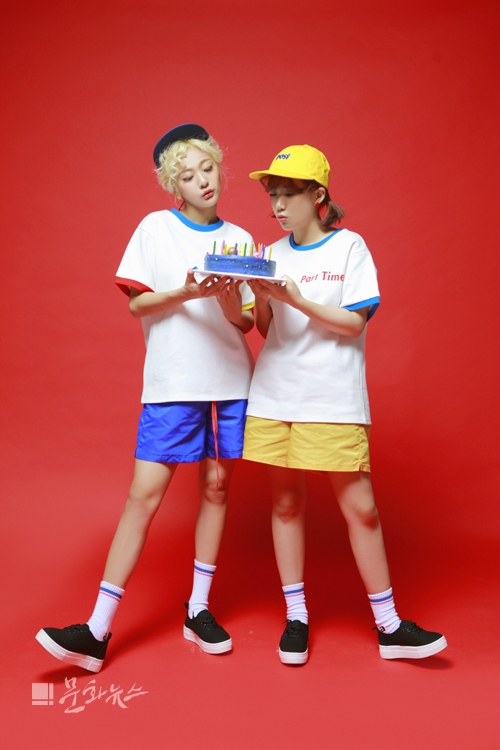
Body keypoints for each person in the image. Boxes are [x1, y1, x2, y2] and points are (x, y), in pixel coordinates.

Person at [36, 123, 255, 672]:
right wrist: (187, 290)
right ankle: (96, 629)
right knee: (143, 497)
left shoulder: (241, 239)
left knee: (217, 489)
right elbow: (136, 304)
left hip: (230, 382)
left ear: (219, 168)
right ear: (172, 186)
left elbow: (247, 323)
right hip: (173, 383)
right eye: (188, 175)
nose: (202, 181)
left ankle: (198, 610)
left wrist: (227, 302)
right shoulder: (155, 229)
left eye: (208, 168)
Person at [243, 144, 447, 665]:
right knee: (285, 504)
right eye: (273, 194)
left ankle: (389, 625)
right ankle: (296, 617)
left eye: (289, 194)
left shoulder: (350, 248)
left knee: (361, 509)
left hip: (331, 397)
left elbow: (354, 323)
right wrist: (260, 298)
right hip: (274, 393)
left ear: (318, 196)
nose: (278, 205)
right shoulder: (270, 252)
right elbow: (267, 331)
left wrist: (294, 298)